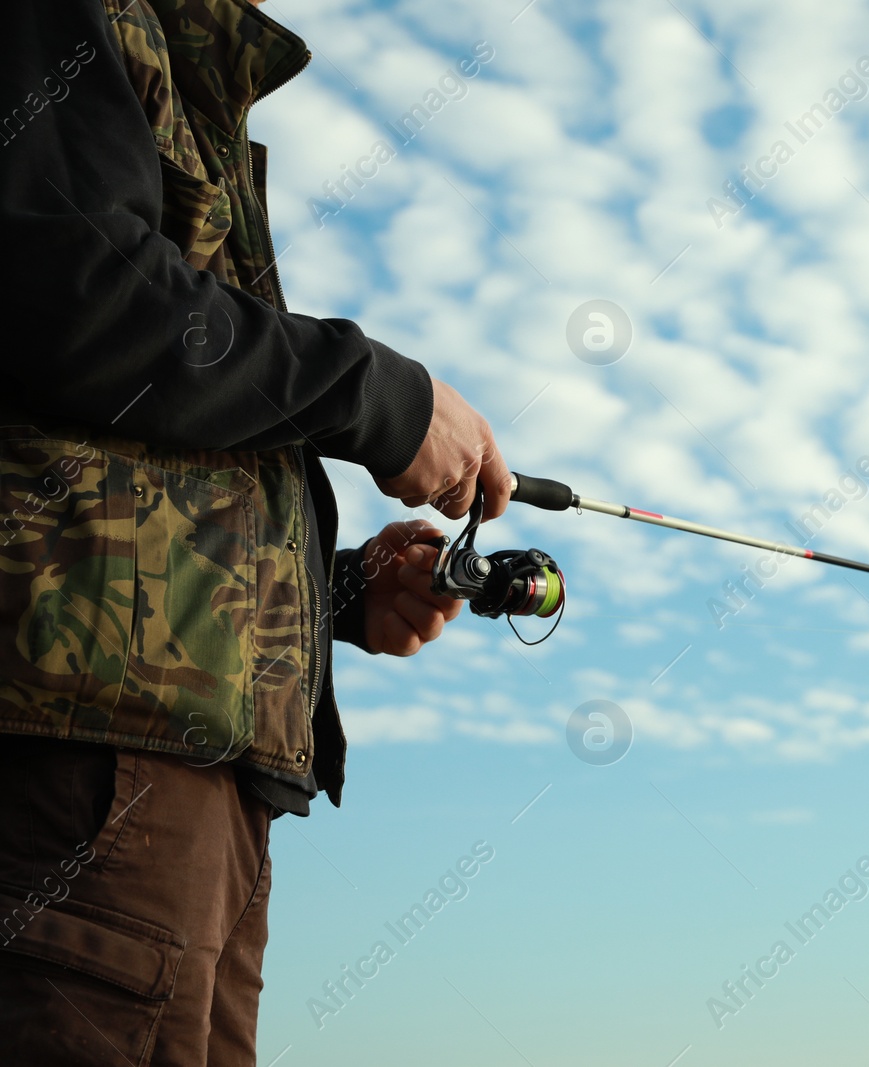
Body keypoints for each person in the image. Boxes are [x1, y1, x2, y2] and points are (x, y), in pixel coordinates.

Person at [0, 0, 514, 1062]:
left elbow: (122, 465)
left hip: (185, 801)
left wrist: (329, 600)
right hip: (93, 778)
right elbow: (68, 286)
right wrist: (376, 393)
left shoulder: (176, 55)